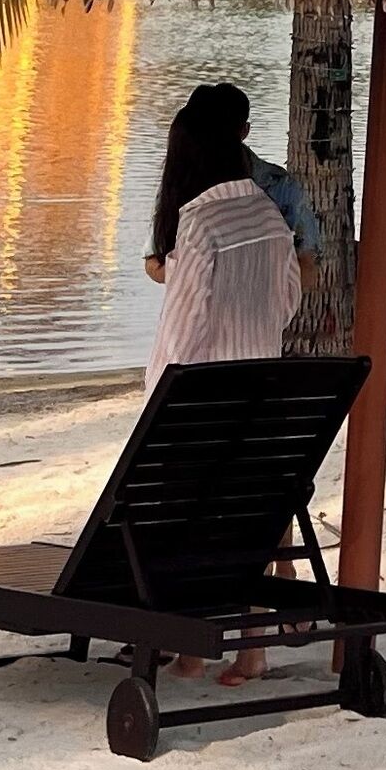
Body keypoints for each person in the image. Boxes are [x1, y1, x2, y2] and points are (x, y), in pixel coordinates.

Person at [142, 82, 304, 684]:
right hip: (264, 404)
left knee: (182, 521)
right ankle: (252, 652)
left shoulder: (198, 222)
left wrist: (155, 400)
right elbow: (288, 302)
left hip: (205, 408)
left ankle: (189, 648)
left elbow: (181, 332)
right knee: (254, 525)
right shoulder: (268, 213)